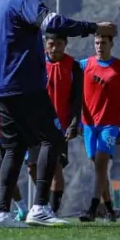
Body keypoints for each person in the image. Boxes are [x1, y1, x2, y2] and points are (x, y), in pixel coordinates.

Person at [0, 0, 115, 228]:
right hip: (26, 86)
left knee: (13, 148)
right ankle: (40, 208)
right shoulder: (24, 0)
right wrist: (92, 27)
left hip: (3, 87)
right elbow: (52, 23)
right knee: (52, 139)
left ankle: (1, 214)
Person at [78, 33, 120, 223]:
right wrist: (77, 122)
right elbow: (75, 95)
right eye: (97, 43)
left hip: (110, 125)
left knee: (101, 164)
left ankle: (93, 209)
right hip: (88, 125)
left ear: (111, 44)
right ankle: (110, 209)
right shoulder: (84, 65)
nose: (100, 46)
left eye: (103, 43)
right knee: (99, 168)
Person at [43, 33, 82, 216]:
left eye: (59, 44)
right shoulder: (36, 63)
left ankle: (52, 211)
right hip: (37, 124)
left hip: (60, 126)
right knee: (34, 167)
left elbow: (77, 99)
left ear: (65, 44)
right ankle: (41, 205)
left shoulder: (73, 66)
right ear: (46, 43)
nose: (55, 48)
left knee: (55, 166)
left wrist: (74, 123)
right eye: (51, 44)